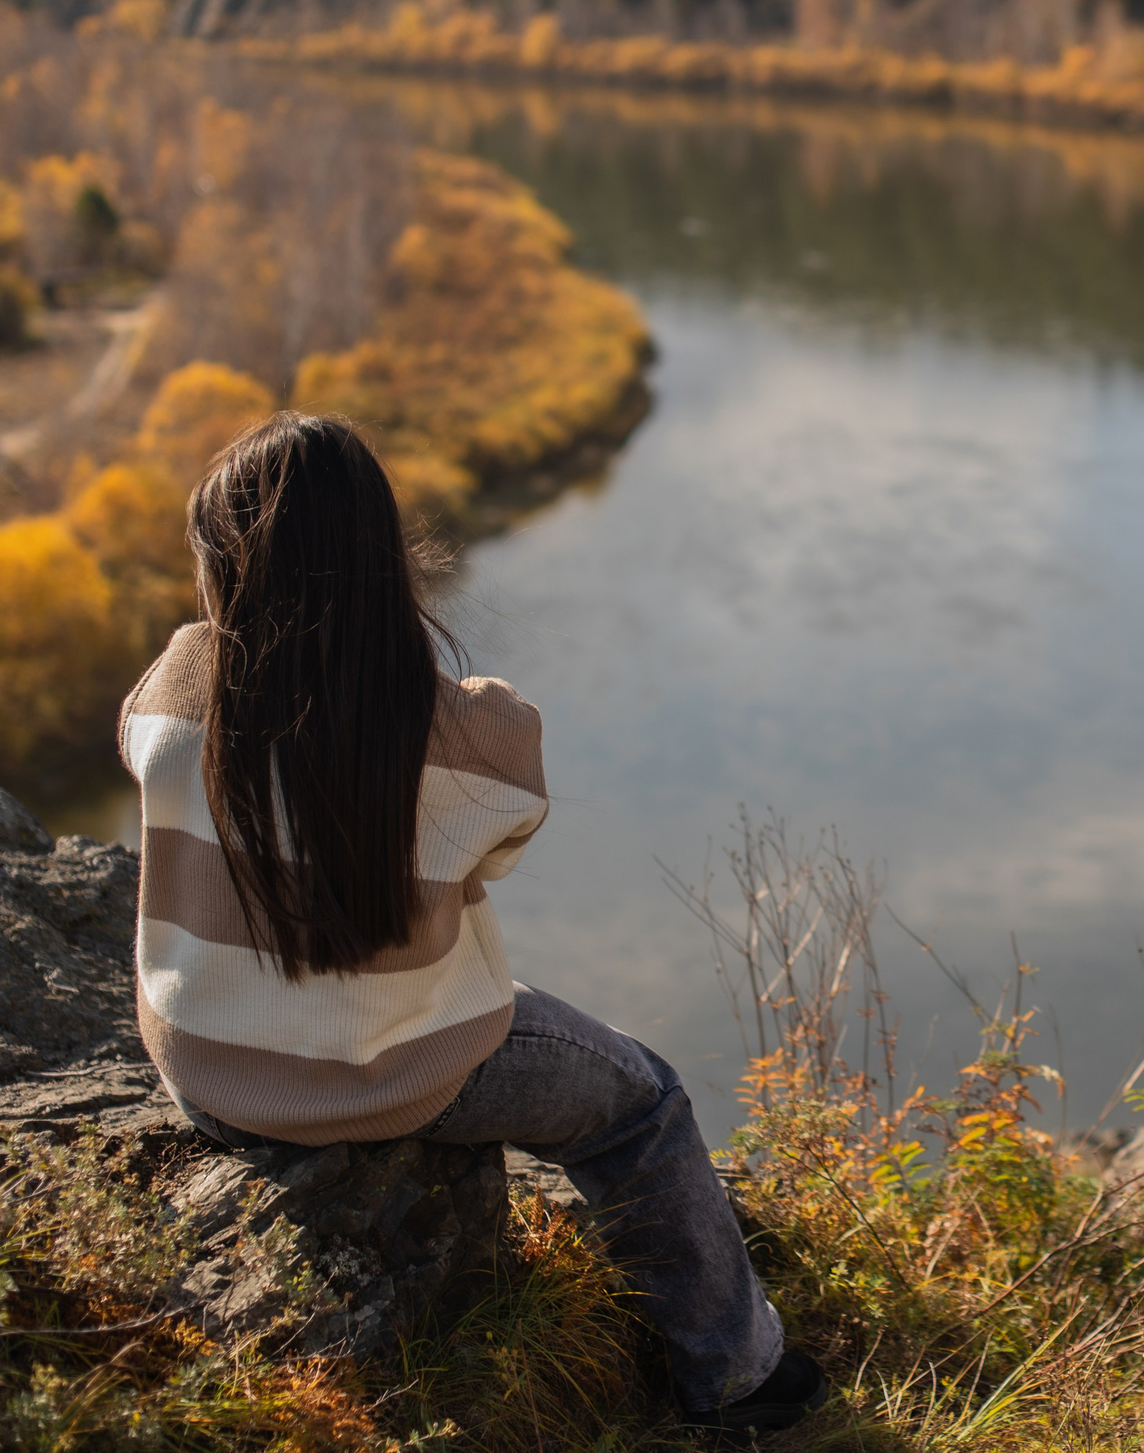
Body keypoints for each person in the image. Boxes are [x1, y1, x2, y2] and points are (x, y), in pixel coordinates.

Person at [117, 411, 824, 1432]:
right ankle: (740, 1378)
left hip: (215, 1078)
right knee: (641, 1101)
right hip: (412, 1071)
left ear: (227, 559)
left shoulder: (176, 691)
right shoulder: (470, 731)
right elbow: (502, 850)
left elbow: (141, 763)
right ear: (379, 552)